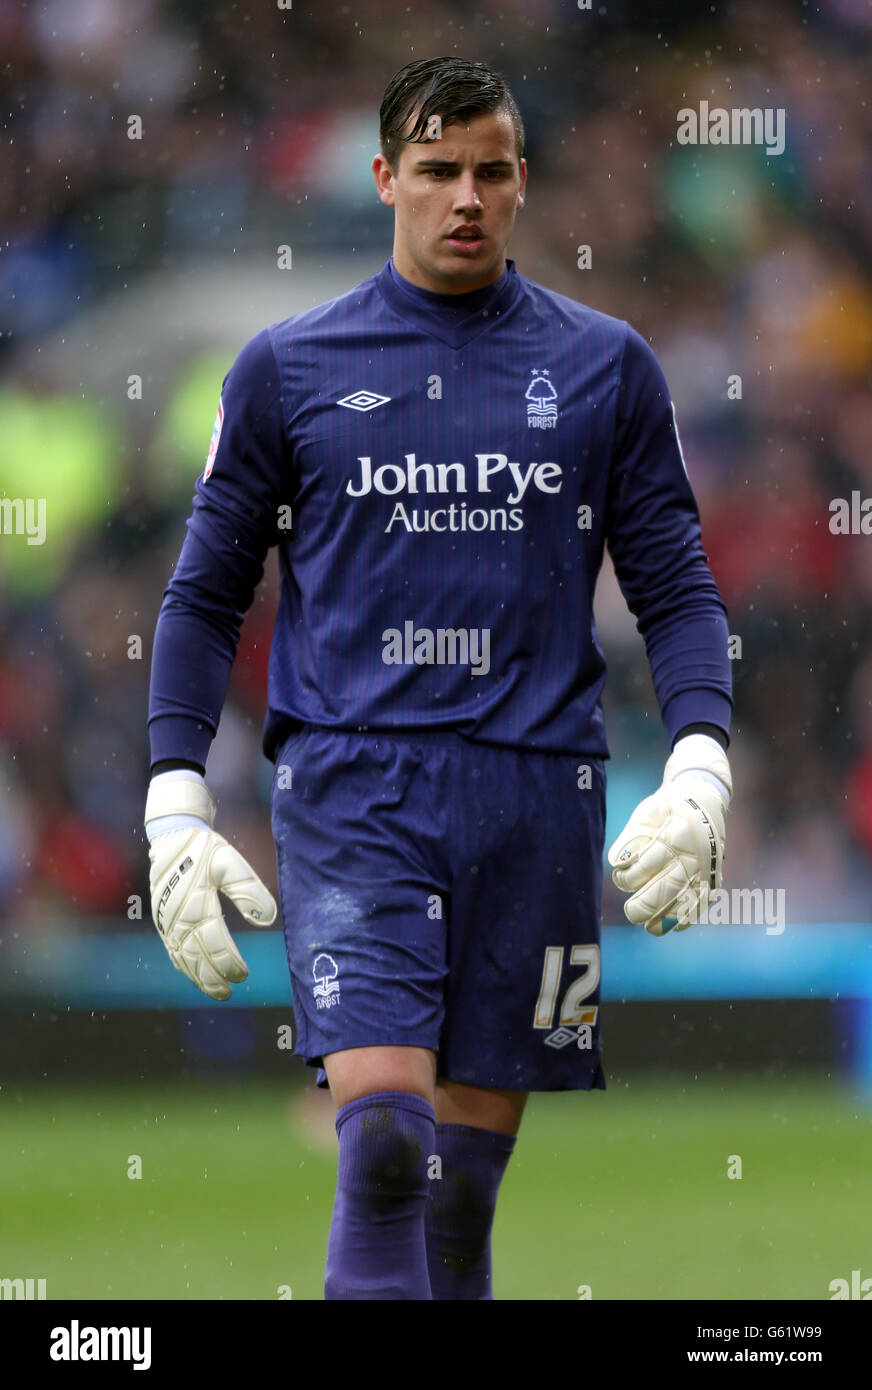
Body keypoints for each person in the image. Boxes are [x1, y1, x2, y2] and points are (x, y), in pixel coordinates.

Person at [144, 56, 733, 1300]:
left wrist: (697, 762)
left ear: (521, 182)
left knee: (460, 1197)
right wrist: (172, 796)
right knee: (386, 1153)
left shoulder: (605, 368)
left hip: (535, 796)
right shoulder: (286, 369)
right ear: (383, 181)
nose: (463, 195)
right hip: (355, 789)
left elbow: (676, 590)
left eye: (489, 170)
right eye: (435, 171)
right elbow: (202, 596)